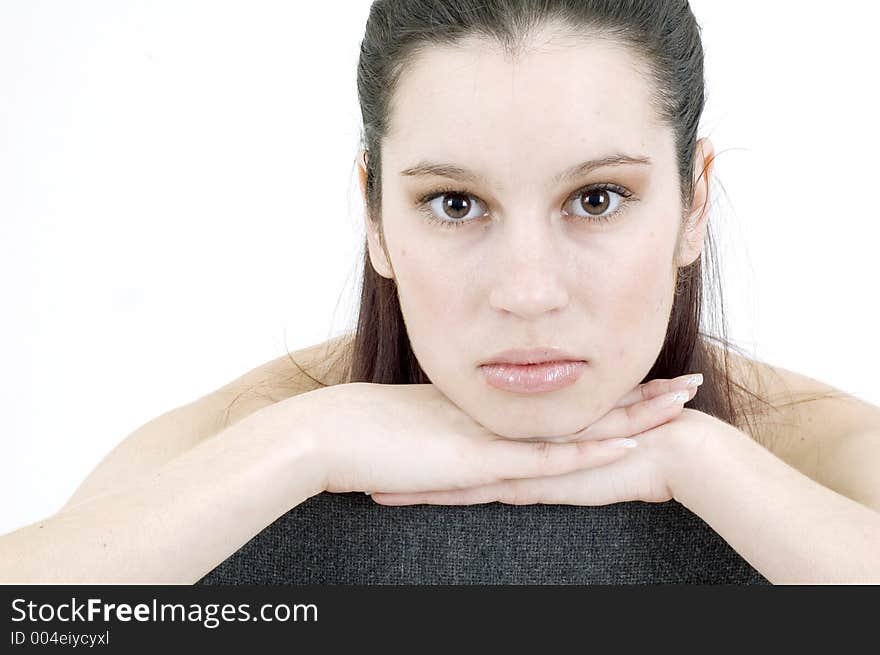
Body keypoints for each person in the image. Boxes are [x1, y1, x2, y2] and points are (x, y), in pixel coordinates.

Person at [2, 0, 879, 584]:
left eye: (596, 199)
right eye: (455, 203)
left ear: (693, 202)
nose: (528, 294)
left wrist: (701, 461)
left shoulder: (820, 455)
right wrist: (311, 438)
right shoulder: (244, 443)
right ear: (375, 216)